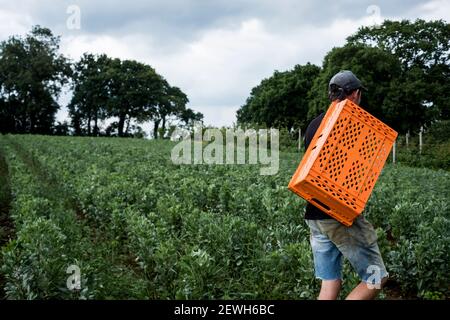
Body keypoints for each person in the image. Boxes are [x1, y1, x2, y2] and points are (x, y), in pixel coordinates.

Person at [304, 70, 388, 300]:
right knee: (376, 278)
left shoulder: (314, 124)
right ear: (355, 94)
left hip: (314, 214)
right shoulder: (352, 123)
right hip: (339, 213)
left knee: (330, 281)